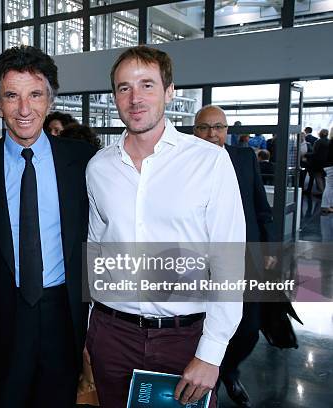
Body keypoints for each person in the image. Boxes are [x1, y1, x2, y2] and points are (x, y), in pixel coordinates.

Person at [86, 46, 245, 408]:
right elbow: (96, 250)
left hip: (184, 339)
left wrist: (211, 353)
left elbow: (229, 261)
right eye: (124, 88)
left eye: (147, 85)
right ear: (114, 97)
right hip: (111, 335)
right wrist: (89, 333)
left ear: (170, 92)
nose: (135, 98)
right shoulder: (99, 167)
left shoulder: (209, 161)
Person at [0, 45, 97, 408]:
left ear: (50, 100)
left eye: (35, 95)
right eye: (12, 96)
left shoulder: (83, 162)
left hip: (64, 312)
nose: (24, 109)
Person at [194, 105, 275, 408]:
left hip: (244, 256)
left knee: (248, 329)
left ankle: (228, 370)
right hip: (200, 260)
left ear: (227, 130)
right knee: (202, 324)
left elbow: (260, 207)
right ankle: (208, 377)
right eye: (204, 127)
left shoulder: (243, 158)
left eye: (218, 127)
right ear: (195, 131)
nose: (212, 134)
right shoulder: (185, 163)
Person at [321, 126, 333, 214]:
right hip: (331, 166)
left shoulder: (331, 141)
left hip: (329, 165)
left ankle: (328, 205)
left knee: (330, 186)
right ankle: (325, 205)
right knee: (329, 186)